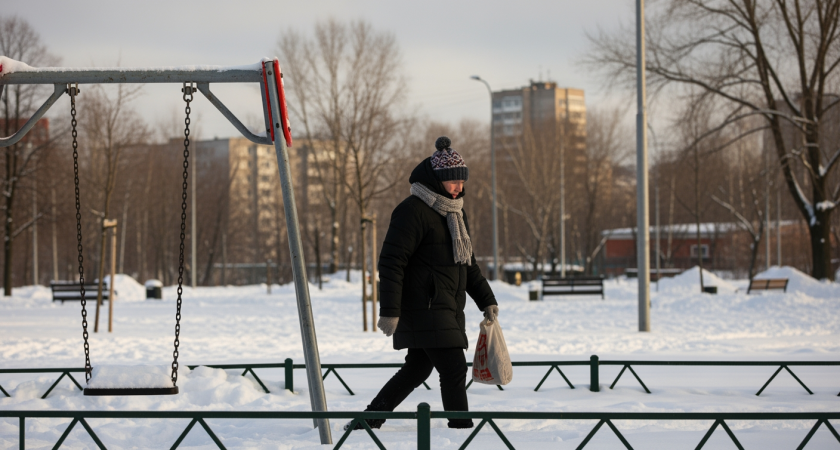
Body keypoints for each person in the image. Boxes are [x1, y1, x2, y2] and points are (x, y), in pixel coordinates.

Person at [347, 136, 499, 431]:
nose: (459, 186)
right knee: (454, 367)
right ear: (436, 179)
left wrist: (487, 300)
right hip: (423, 306)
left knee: (417, 369)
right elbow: (392, 261)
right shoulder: (413, 210)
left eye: (461, 180)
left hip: (445, 306)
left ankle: (370, 419)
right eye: (452, 181)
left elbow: (467, 263)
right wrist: (390, 310)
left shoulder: (455, 212)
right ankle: (460, 431)